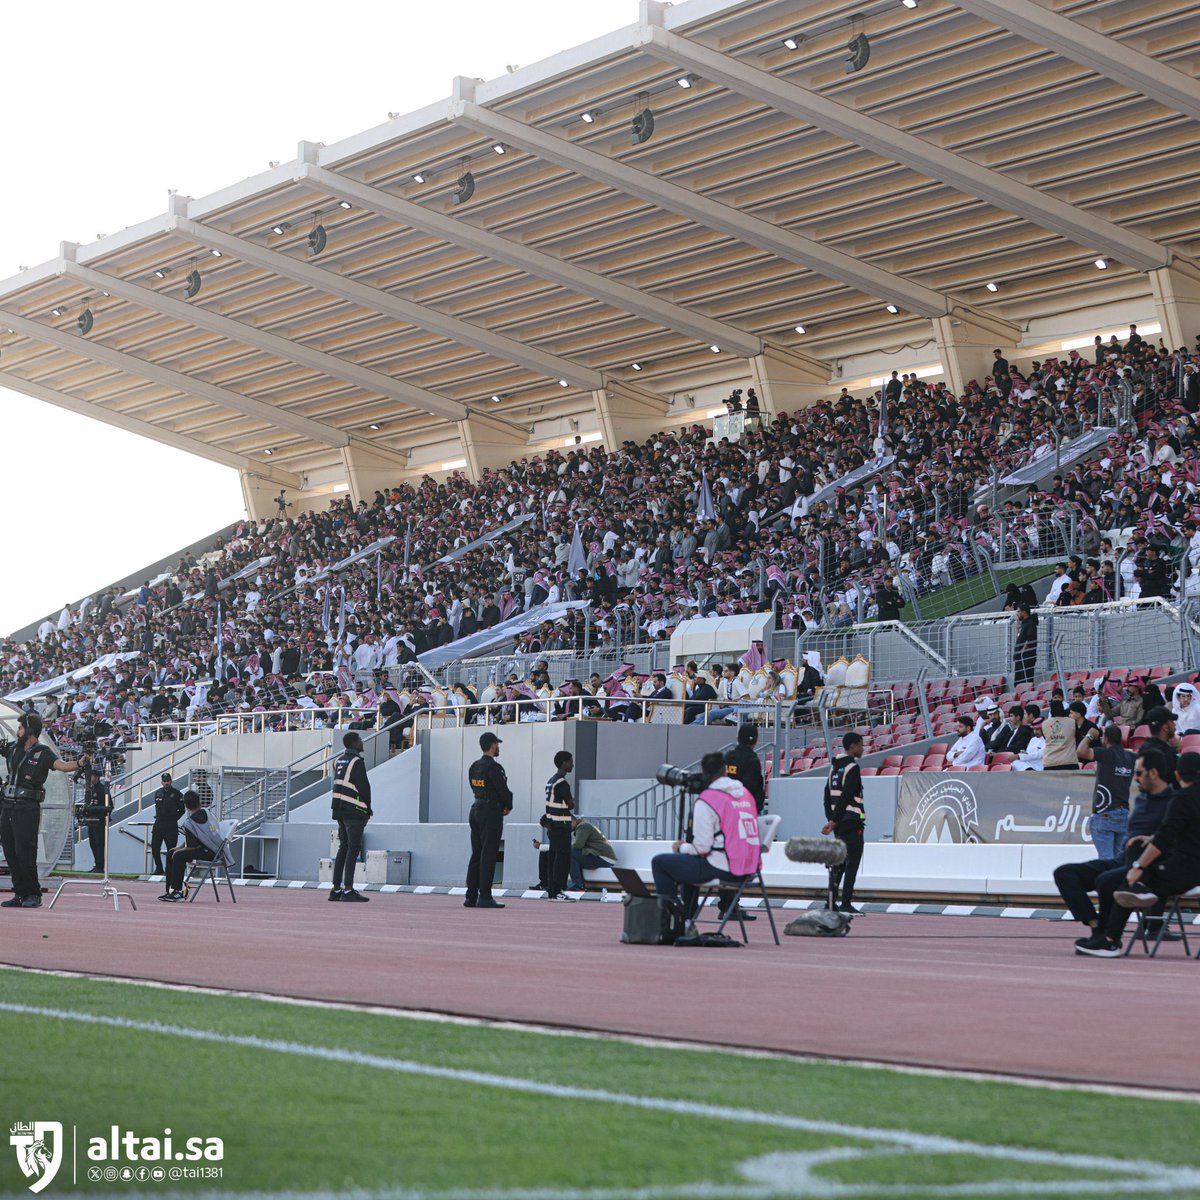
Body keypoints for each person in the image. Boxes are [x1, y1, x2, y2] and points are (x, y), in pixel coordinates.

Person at [1063, 749, 1175, 956]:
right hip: (1123, 860)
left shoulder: (1173, 803)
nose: (1134, 777)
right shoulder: (1141, 800)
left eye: (1139, 773)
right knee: (1065, 873)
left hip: (1145, 865)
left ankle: (1110, 939)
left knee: (1106, 880)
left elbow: (1169, 840)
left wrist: (1142, 858)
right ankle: (1097, 929)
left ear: (1153, 773)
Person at [650, 752, 760, 924]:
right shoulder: (745, 794)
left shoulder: (708, 800)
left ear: (705, 774)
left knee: (660, 862)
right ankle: (686, 919)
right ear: (725, 772)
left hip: (725, 868)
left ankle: (670, 920)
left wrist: (680, 847)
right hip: (750, 869)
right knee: (689, 863)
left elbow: (701, 848)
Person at [1, 713, 87, 909]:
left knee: (26, 851)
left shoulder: (43, 752)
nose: (17, 731)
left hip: (27, 807)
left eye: (21, 728)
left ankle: (33, 893)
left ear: (30, 731)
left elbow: (63, 766)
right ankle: (20, 893)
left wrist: (80, 762)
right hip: (8, 805)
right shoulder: (13, 748)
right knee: (10, 851)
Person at [1110, 751, 1200, 939]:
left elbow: (1165, 837)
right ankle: (1148, 915)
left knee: (1134, 877)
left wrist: (1138, 867)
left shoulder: (1182, 799)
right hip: (1189, 866)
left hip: (1190, 870)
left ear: (1177, 775)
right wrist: (1152, 839)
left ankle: (1110, 937)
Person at [464, 732, 512, 909]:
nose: (498, 748)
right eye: (497, 745)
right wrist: (507, 805)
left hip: (476, 808)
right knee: (488, 854)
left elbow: (474, 786)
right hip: (490, 811)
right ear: (492, 746)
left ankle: (471, 896)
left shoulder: (474, 766)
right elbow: (502, 790)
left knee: (476, 853)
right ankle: (484, 895)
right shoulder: (494, 767)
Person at [160, 790, 233, 902]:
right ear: (199, 801)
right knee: (172, 852)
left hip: (209, 853)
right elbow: (196, 840)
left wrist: (178, 851)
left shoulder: (189, 823)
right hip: (216, 850)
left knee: (178, 856)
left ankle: (178, 891)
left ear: (186, 806)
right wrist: (178, 848)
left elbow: (192, 846)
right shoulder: (208, 813)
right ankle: (171, 890)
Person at [822, 731, 865, 913]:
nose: (862, 748)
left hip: (838, 823)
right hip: (851, 821)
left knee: (838, 863)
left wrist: (831, 819)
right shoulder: (852, 768)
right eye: (860, 745)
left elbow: (826, 796)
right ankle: (846, 903)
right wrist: (833, 820)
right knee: (852, 862)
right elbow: (847, 796)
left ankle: (830, 902)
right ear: (852, 747)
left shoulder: (834, 768)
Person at [1077, 725, 1135, 859]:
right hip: (1124, 813)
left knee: (1106, 859)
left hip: (1105, 812)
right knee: (1119, 860)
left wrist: (1090, 735)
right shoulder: (1131, 757)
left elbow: (1080, 751)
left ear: (1106, 739)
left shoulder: (1106, 754)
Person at [329, 731, 372, 903]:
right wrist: (367, 809)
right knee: (353, 848)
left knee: (343, 847)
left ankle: (335, 889)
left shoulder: (338, 761)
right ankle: (348, 889)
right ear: (354, 743)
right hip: (354, 810)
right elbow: (363, 787)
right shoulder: (357, 761)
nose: (362, 743)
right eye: (360, 740)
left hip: (339, 809)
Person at [542, 750, 575, 901]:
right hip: (561, 826)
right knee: (563, 859)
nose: (572, 764)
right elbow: (571, 804)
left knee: (553, 858)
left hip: (552, 825)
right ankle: (558, 890)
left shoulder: (551, 781)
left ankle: (552, 890)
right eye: (570, 761)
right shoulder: (562, 782)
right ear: (564, 763)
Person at [149, 771, 186, 875]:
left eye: (168, 781)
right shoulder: (158, 793)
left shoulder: (177, 794)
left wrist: (174, 819)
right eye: (164, 781)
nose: (166, 783)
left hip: (170, 825)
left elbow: (182, 810)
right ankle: (159, 868)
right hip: (159, 824)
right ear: (161, 782)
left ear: (171, 781)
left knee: (171, 848)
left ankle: (169, 869)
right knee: (155, 847)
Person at [724, 723, 766, 813]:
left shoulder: (727, 757)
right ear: (756, 740)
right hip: (745, 810)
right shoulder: (753, 761)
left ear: (737, 738)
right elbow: (749, 788)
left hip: (726, 806)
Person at [568, 815, 616, 890]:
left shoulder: (583, 826)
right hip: (601, 856)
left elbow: (578, 845)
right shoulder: (583, 825)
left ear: (573, 821)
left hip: (603, 858)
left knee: (570, 853)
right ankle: (580, 885)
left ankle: (577, 885)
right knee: (574, 857)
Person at [81, 768, 113, 873]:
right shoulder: (89, 789)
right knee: (93, 843)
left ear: (97, 777)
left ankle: (100, 866)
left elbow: (109, 806)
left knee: (99, 844)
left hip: (99, 821)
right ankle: (97, 864)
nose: (90, 778)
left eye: (92, 776)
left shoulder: (103, 789)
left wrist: (97, 810)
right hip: (90, 820)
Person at [1013, 604, 1037, 686]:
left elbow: (1030, 638)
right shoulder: (1023, 624)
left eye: (1019, 611)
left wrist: (1023, 651)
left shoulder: (1030, 623)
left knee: (1026, 681)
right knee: (1018, 683)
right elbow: (1020, 638)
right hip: (1020, 657)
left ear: (1024, 612)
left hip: (1026, 658)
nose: (1017, 613)